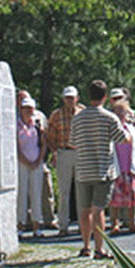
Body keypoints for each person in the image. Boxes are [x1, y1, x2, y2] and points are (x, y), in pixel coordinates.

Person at [69, 80, 128, 259]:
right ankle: (99, 249)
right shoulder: (109, 117)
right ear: (105, 97)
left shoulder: (78, 118)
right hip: (103, 169)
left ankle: (85, 246)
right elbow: (123, 139)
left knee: (84, 210)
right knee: (98, 209)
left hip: (83, 169)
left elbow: (72, 143)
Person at [45, 85, 84, 236]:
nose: (69, 100)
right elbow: (49, 137)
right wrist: (56, 152)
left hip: (80, 153)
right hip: (64, 152)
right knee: (64, 191)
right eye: (67, 98)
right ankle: (63, 225)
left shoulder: (83, 112)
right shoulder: (56, 115)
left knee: (82, 191)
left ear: (77, 98)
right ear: (63, 99)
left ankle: (83, 225)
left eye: (72, 98)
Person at [107, 99, 135, 233]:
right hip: (116, 167)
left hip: (130, 167)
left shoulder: (131, 129)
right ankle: (114, 223)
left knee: (133, 197)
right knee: (115, 198)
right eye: (118, 112)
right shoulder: (111, 129)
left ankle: (132, 222)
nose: (121, 115)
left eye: (123, 112)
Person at [16, 95, 46, 236]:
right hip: (22, 163)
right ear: (21, 109)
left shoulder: (38, 125)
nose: (28, 111)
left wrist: (38, 160)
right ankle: (20, 225)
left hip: (36, 163)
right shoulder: (16, 125)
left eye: (30, 108)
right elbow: (15, 146)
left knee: (36, 194)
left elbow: (43, 144)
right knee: (21, 194)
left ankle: (36, 225)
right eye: (25, 108)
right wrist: (24, 160)